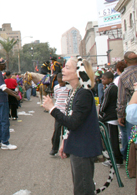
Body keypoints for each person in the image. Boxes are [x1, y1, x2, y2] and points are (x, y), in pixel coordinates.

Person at [43, 57, 102, 195]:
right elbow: (73, 122)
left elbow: (73, 123)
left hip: (83, 149)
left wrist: (52, 109)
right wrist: (66, 141)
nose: (62, 69)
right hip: (78, 147)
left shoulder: (83, 94)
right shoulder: (75, 92)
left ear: (79, 72)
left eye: (67, 67)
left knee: (83, 189)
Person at [0, 58, 20, 150]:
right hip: (2, 100)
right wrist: (15, 95)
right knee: (5, 122)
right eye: (3, 64)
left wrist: (13, 93)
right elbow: (3, 88)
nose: (5, 66)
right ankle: (5, 142)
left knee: (0, 121)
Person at [99, 72, 122, 167]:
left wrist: (100, 112)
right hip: (114, 116)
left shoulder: (109, 89)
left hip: (109, 117)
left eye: (104, 79)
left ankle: (116, 159)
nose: (102, 80)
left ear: (110, 79)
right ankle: (115, 158)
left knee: (112, 139)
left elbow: (104, 103)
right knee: (113, 138)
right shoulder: (115, 88)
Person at [117, 51, 137, 161]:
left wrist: (120, 115)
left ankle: (131, 163)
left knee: (132, 140)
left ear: (125, 62)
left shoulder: (124, 76)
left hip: (132, 113)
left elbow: (122, 99)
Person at [49, 73, 69, 157]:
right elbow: (56, 98)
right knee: (57, 130)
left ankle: (67, 149)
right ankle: (54, 148)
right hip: (58, 111)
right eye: (59, 82)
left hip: (66, 112)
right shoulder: (56, 88)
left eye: (62, 82)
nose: (61, 84)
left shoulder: (69, 88)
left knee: (67, 131)